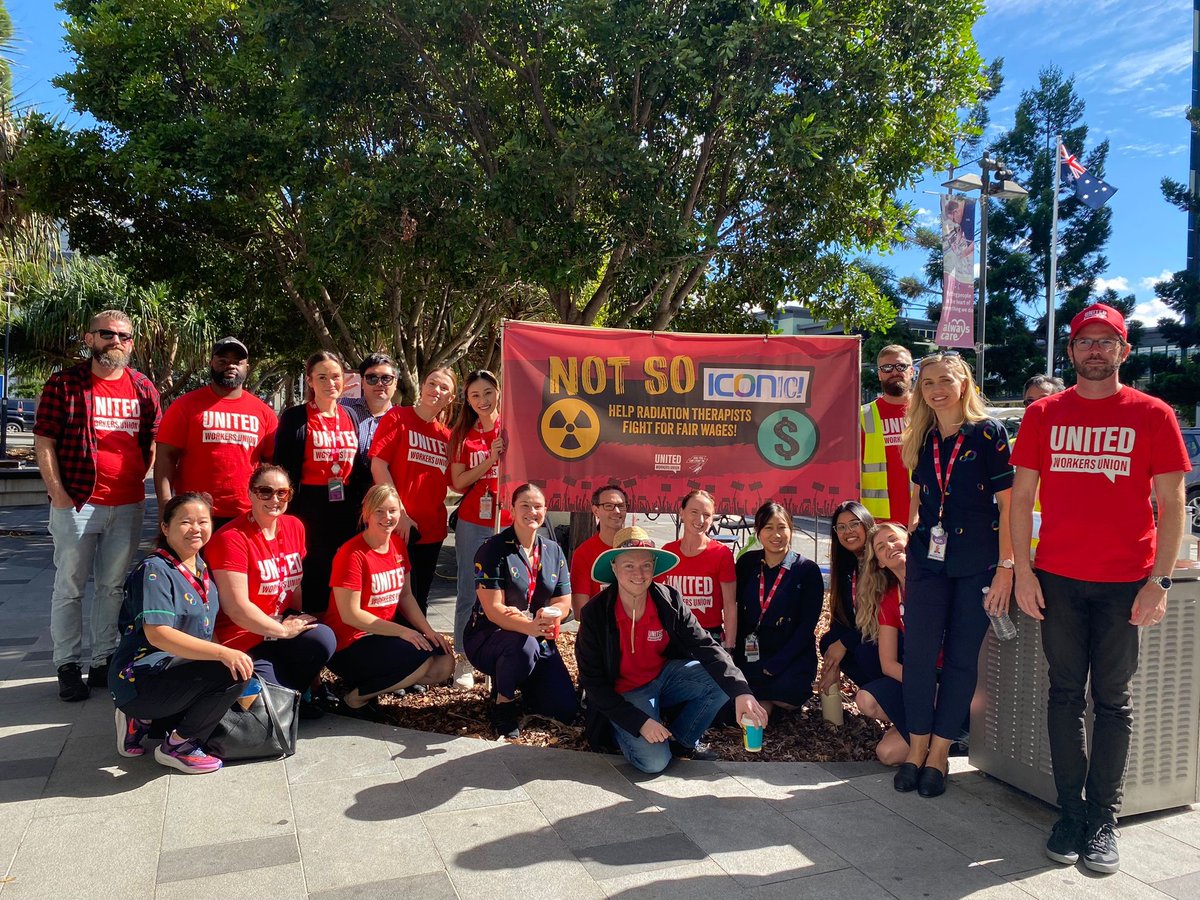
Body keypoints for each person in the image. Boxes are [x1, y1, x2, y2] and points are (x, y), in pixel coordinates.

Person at [1011, 303, 1191, 874]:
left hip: (1124, 585)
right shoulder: (1043, 414)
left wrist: (1159, 581)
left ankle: (1103, 818)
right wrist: (1022, 570)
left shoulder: (1153, 414)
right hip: (1058, 580)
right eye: (1084, 341)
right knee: (1064, 696)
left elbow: (1171, 504)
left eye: (1105, 341)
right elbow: (1019, 500)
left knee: (1113, 702)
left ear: (1123, 350)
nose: (1094, 349)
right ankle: (1070, 812)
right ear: (1070, 352)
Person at [896, 351, 1013, 799]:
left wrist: (1006, 568)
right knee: (920, 655)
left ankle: (940, 752)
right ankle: (916, 747)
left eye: (946, 380)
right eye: (928, 383)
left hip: (976, 564)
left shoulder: (988, 434)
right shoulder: (922, 436)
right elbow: (921, 494)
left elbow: (1008, 505)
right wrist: (910, 535)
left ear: (964, 383)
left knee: (962, 659)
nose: (937, 389)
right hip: (928, 560)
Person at [34, 309, 162, 701]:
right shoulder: (65, 384)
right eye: (106, 334)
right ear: (89, 339)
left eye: (123, 336)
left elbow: (155, 439)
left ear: (132, 344)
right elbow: (44, 441)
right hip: (77, 503)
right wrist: (58, 492)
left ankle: (103, 660)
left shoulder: (143, 387)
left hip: (127, 504)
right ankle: (67, 664)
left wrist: (140, 477)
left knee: (112, 588)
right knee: (69, 586)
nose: (116, 341)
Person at [576, 525, 769, 773]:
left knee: (719, 680)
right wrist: (640, 723)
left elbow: (705, 646)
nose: (639, 573)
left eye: (646, 564)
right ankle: (620, 728)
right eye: (629, 565)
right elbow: (593, 682)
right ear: (614, 567)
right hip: (624, 692)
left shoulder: (669, 600)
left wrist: (742, 692)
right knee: (654, 763)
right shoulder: (595, 613)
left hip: (663, 677)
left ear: (654, 566)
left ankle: (682, 741)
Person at [109, 492, 252, 773]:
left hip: (171, 670)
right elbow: (158, 635)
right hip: (140, 677)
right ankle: (179, 746)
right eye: (186, 522)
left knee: (237, 668)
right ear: (165, 527)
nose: (196, 529)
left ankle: (140, 721)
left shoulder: (201, 568)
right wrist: (224, 654)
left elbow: (204, 633)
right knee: (228, 670)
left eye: (203, 521)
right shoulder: (154, 571)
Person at [207, 464, 336, 705]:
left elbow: (294, 586)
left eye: (282, 492)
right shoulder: (230, 538)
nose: (274, 499)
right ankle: (278, 697)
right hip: (244, 635)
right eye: (265, 491)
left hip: (279, 625)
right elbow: (236, 608)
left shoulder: (294, 527)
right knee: (265, 704)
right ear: (250, 493)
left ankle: (297, 693)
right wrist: (283, 631)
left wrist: (295, 620)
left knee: (322, 638)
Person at [324, 484, 455, 719]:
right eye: (380, 511)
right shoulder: (352, 553)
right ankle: (355, 699)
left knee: (444, 662)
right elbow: (350, 615)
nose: (387, 517)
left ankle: (377, 684)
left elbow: (405, 596)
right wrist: (404, 632)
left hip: (383, 637)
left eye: (393, 511)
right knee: (421, 661)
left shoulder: (397, 545)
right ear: (366, 513)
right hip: (350, 644)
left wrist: (428, 631)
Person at [463, 483, 577, 739]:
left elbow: (564, 601)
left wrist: (552, 615)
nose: (531, 511)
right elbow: (493, 610)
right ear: (511, 510)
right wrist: (530, 627)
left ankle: (519, 680)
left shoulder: (553, 550)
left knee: (565, 710)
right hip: (491, 637)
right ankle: (503, 703)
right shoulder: (492, 549)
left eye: (537, 506)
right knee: (524, 645)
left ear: (545, 511)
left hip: (537, 637)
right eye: (524, 505)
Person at [274, 351, 369, 615]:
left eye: (336, 377)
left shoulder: (350, 414)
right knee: (313, 569)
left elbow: (359, 464)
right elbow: (283, 468)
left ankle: (340, 626)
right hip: (308, 506)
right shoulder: (295, 417)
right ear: (310, 381)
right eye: (322, 377)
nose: (330, 383)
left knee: (342, 568)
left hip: (345, 505)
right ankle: (313, 629)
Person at [154, 337, 277, 531]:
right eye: (223, 360)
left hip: (246, 514)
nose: (231, 365)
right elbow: (165, 458)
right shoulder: (184, 406)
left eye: (237, 362)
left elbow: (272, 466)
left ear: (247, 366)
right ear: (211, 363)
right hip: (194, 514)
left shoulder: (264, 413)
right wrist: (166, 506)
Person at [369, 367, 457, 614]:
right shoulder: (398, 417)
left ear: (450, 398)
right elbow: (379, 466)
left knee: (420, 600)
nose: (436, 390)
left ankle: (419, 650)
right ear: (423, 385)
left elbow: (456, 482)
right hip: (396, 528)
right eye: (432, 383)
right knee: (391, 600)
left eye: (443, 388)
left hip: (432, 531)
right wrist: (400, 515)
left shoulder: (446, 437)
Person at [731, 501, 824, 715]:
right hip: (751, 649)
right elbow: (734, 609)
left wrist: (777, 663)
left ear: (791, 529)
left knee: (789, 694)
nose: (776, 534)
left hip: (790, 652)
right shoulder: (747, 563)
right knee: (736, 696)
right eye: (768, 528)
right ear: (758, 532)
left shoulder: (807, 570)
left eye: (782, 527)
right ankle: (764, 704)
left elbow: (807, 625)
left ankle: (768, 702)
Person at [447, 370, 509, 690]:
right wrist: (489, 460)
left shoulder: (512, 427)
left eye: (487, 393)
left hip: (509, 519)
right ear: (467, 400)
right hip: (474, 520)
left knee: (508, 591)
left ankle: (501, 656)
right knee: (469, 591)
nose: (482, 401)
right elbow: (458, 482)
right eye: (475, 396)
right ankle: (463, 658)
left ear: (498, 391)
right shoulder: (463, 434)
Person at [854, 523, 913, 766]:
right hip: (918, 681)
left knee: (889, 752)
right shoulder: (890, 597)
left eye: (893, 539)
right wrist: (922, 684)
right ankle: (931, 735)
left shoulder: (936, 584)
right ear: (879, 562)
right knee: (886, 753)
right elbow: (888, 664)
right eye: (880, 546)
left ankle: (951, 736)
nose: (889, 546)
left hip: (952, 682)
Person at [817, 500, 882, 695]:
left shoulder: (881, 561)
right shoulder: (847, 565)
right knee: (828, 643)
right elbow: (840, 619)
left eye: (855, 524)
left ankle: (886, 696)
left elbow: (880, 618)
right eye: (841, 527)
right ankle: (876, 696)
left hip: (887, 637)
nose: (849, 531)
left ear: (867, 524)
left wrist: (845, 642)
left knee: (863, 651)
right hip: (862, 635)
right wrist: (831, 666)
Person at [658, 490, 736, 646]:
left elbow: (729, 604)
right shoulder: (668, 551)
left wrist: (729, 647)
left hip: (708, 636)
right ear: (682, 512)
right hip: (675, 635)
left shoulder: (721, 553)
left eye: (707, 515)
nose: (700, 520)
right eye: (694, 512)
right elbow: (658, 599)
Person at [860, 344, 914, 524]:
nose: (894, 372)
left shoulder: (929, 412)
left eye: (901, 366)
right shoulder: (861, 416)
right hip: (877, 523)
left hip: (925, 519)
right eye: (887, 368)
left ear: (912, 371)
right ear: (879, 374)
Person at [570, 484, 629, 618]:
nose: (617, 511)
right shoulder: (584, 553)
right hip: (601, 631)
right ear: (596, 510)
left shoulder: (638, 549)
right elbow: (581, 612)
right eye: (609, 506)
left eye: (621, 506)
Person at [340, 353, 399, 455]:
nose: (379, 383)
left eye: (386, 378)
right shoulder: (342, 408)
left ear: (395, 383)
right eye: (372, 378)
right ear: (362, 382)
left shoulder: (401, 420)